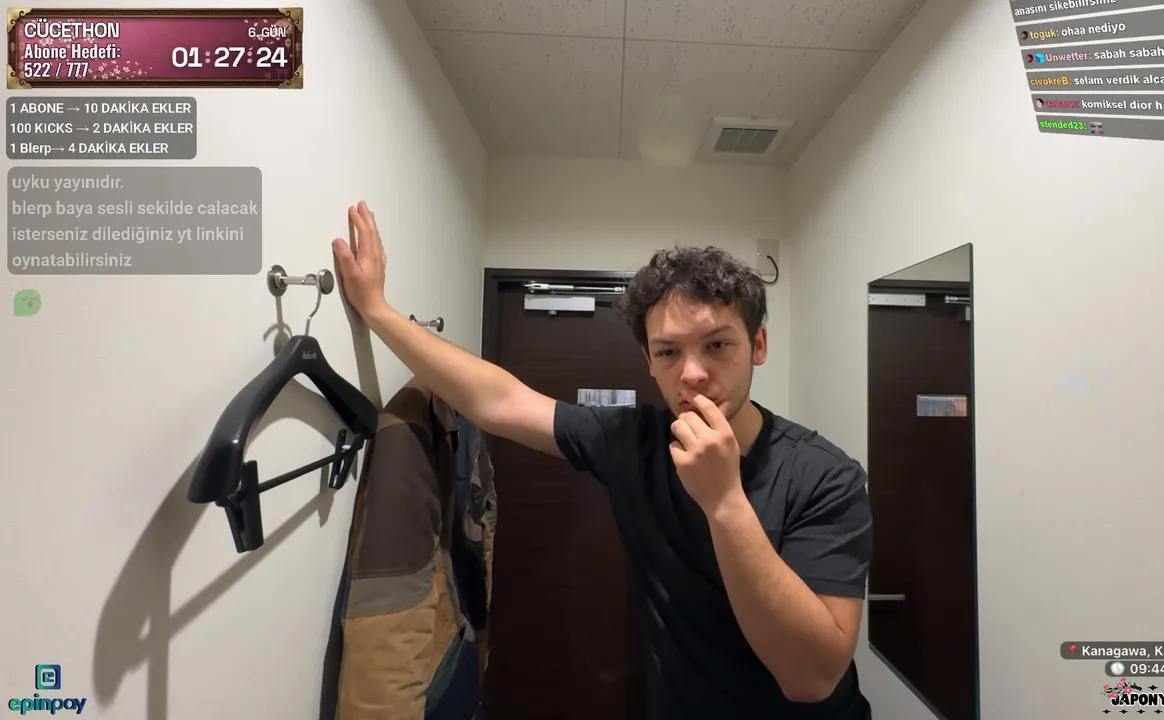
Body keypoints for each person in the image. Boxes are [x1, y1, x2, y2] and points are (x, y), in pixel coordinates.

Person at [331, 201, 874, 719]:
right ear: (648, 361)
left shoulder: (826, 476)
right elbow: (501, 401)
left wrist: (725, 501)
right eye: (668, 352)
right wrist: (377, 310)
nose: (691, 374)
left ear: (758, 345)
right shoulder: (632, 441)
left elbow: (810, 679)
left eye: (717, 345)